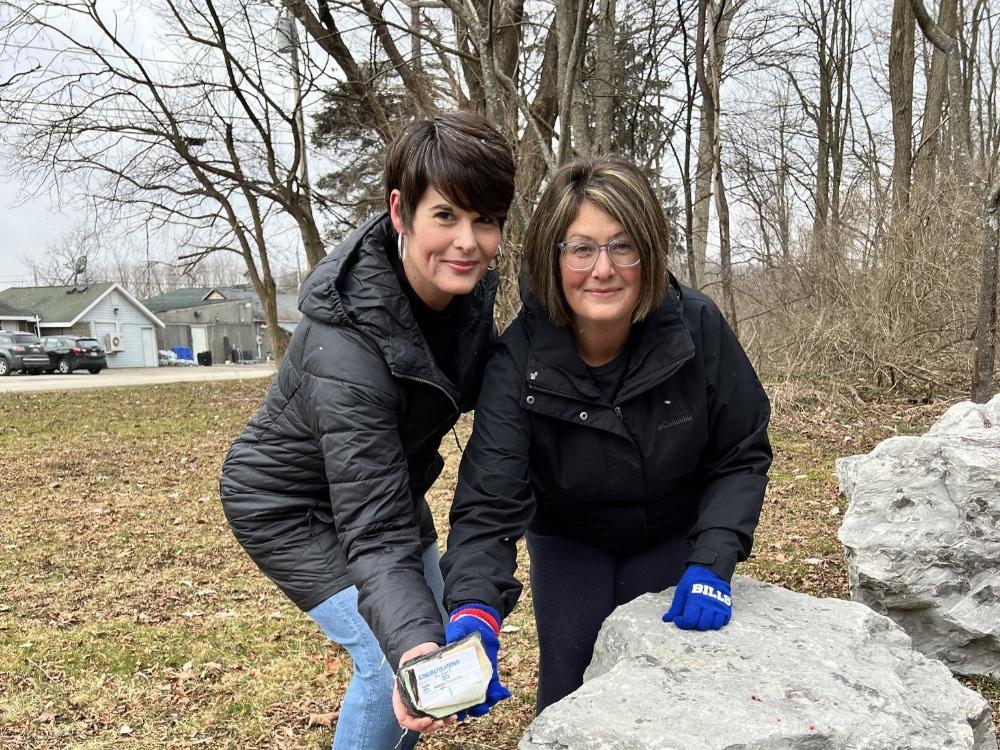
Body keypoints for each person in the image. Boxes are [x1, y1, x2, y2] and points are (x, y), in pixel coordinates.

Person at [219, 112, 515, 749]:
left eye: (484, 221)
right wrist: (410, 643)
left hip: (382, 487)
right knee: (396, 663)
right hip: (290, 505)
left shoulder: (464, 293)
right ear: (400, 212)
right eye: (446, 216)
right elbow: (375, 533)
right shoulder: (347, 345)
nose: (468, 241)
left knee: (430, 660)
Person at [438, 155, 772, 715]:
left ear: (649, 252)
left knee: (665, 695)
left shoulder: (696, 327)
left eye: (624, 246)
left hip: (672, 532)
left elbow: (741, 452)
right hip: (571, 537)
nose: (603, 269)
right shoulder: (518, 357)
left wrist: (713, 559)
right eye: (581, 248)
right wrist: (474, 609)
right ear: (554, 256)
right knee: (570, 685)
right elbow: (489, 499)